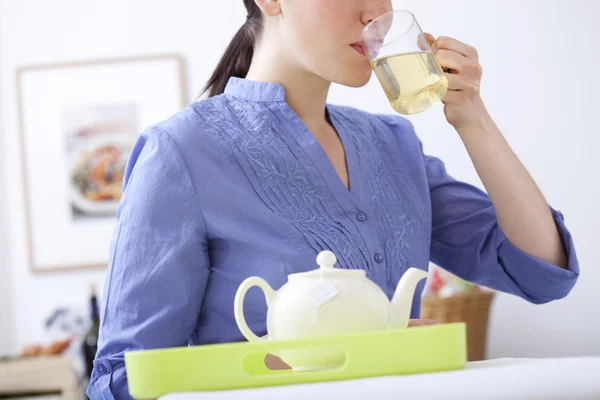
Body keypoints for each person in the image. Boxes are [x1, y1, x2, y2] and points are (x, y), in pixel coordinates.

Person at [87, 0, 579, 398]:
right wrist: (307, 361)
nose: (375, 14)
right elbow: (119, 380)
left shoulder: (393, 143)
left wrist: (472, 118)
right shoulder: (181, 152)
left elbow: (541, 271)